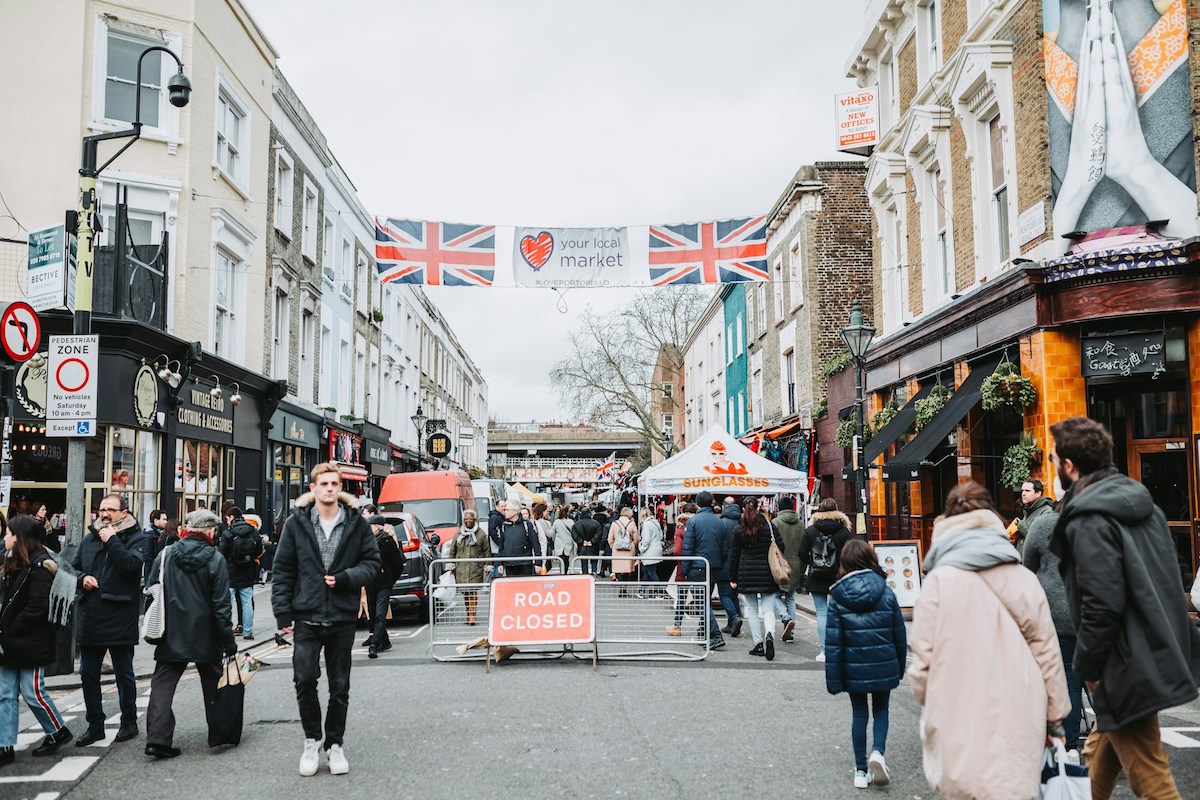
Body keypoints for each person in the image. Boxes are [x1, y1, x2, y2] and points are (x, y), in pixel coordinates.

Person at [1049, 416, 1200, 799]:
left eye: (1055, 460)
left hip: (1122, 663)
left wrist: (1087, 665)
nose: (1054, 467)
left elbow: (1101, 604)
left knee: (1152, 778)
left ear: (1069, 465)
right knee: (1098, 755)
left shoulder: (1087, 519)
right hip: (1150, 648)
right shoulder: (1143, 504)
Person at [908, 481, 1069, 800]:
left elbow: (921, 665)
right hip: (1020, 710)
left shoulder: (938, 582)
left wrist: (932, 699)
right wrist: (1056, 719)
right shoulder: (1024, 579)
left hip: (956, 712)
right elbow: (1047, 655)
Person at [272, 462, 381, 777]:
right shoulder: (296, 524)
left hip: (341, 618)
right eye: (324, 484)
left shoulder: (357, 524)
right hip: (306, 616)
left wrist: (346, 578)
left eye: (335, 483)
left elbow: (372, 564)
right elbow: (283, 571)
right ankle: (311, 741)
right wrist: (282, 612)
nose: (330, 488)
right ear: (313, 488)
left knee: (339, 686)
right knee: (304, 680)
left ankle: (334, 745)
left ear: (340, 488)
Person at [142, 509, 238, 759]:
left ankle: (157, 739)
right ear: (209, 530)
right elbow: (221, 606)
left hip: (170, 631)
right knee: (214, 682)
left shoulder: (165, 555)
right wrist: (228, 642)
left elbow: (151, 587)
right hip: (206, 633)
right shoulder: (215, 559)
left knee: (162, 685)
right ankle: (220, 734)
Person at [825, 539, 907, 789]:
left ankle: (861, 771)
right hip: (884, 662)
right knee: (881, 710)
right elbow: (899, 634)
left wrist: (834, 679)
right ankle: (877, 754)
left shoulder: (838, 596)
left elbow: (833, 642)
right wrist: (899, 666)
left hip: (853, 666)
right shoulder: (886, 590)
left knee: (859, 714)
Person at [72, 493, 150, 747]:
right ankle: (95, 725)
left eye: (110, 510)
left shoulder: (137, 538)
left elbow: (131, 568)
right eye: (102, 509)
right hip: (91, 617)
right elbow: (71, 567)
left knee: (124, 674)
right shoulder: (89, 539)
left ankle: (129, 722)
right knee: (88, 675)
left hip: (119, 616)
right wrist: (82, 578)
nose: (104, 514)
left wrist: (113, 541)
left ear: (124, 513)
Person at [0, 514, 74, 767]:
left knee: (33, 693)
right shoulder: (14, 561)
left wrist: (9, 629)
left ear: (19, 537)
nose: (5, 537)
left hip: (31, 641)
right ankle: (4, 745)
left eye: (9, 533)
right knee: (5, 694)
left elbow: (37, 608)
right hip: (10, 640)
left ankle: (58, 731)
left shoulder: (41, 566)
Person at [1022, 506, 1084, 763]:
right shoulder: (1101, 523)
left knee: (1068, 678)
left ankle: (1068, 745)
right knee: (1105, 680)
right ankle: (1113, 742)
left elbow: (1027, 567)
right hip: (1098, 611)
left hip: (1058, 613)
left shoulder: (1043, 525)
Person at [798, 498, 854, 662]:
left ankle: (825, 650)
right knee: (839, 613)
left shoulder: (811, 531)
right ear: (837, 511)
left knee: (821, 613)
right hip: (839, 577)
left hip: (817, 576)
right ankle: (839, 648)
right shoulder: (844, 532)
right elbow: (851, 554)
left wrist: (812, 561)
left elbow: (801, 553)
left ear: (819, 511)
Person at [728, 499, 784, 660]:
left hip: (746, 573)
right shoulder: (769, 527)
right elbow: (781, 546)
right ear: (759, 508)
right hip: (767, 572)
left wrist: (733, 577)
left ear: (743, 508)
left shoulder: (739, 529)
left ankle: (758, 644)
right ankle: (769, 635)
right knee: (768, 609)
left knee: (752, 609)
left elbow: (734, 556)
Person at [679, 491, 727, 650]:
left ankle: (715, 634)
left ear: (697, 504)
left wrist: (685, 570)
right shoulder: (720, 522)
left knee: (701, 602)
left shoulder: (693, 522)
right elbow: (725, 548)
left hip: (697, 567)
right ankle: (702, 630)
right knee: (705, 601)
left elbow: (688, 548)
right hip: (713, 567)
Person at [363, 516, 405, 658]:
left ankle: (374, 645)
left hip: (384, 583)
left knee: (380, 614)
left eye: (370, 526)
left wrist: (390, 580)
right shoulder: (365, 542)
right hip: (370, 583)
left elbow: (397, 564)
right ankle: (385, 641)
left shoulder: (387, 541)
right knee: (373, 614)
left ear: (377, 527)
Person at [219, 508, 264, 641]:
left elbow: (221, 554)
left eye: (227, 518)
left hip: (230, 573)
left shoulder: (228, 533)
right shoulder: (254, 532)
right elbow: (259, 550)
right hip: (247, 573)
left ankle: (224, 633)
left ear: (231, 517)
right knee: (247, 603)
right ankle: (248, 632)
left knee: (227, 604)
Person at [772, 495, 805, 644]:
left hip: (779, 565)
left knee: (774, 595)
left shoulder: (775, 522)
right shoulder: (801, 524)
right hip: (796, 565)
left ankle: (785, 617)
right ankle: (790, 633)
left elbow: (772, 546)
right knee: (791, 598)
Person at [447, 509, 489, 625]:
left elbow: (486, 550)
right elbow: (452, 550)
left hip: (476, 567)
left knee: (473, 591)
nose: (468, 521)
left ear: (475, 520)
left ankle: (472, 615)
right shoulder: (458, 533)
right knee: (465, 592)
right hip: (461, 568)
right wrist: (451, 564)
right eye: (466, 519)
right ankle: (468, 613)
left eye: (470, 518)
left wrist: (487, 566)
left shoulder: (481, 533)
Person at [716, 497, 742, 636]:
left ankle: (734, 617)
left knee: (724, 594)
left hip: (725, 563)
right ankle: (732, 624)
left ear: (724, 506)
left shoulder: (722, 523)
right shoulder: (742, 522)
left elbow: (720, 545)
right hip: (740, 564)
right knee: (734, 595)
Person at [1011, 480, 1053, 556]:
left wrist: (1020, 525)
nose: (1023, 494)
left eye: (1027, 491)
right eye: (1022, 491)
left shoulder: (1046, 511)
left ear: (1038, 493)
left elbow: (1040, 539)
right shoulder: (1028, 510)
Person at [496, 502, 537, 577]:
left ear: (515, 511)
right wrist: (500, 563)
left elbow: (536, 544)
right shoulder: (504, 526)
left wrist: (538, 563)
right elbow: (501, 546)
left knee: (526, 586)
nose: (505, 512)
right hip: (509, 564)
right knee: (512, 587)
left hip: (525, 564)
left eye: (507, 510)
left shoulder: (527, 524)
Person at [607, 508, 639, 594]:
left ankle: (621, 586)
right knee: (627, 569)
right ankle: (624, 588)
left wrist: (612, 545)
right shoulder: (632, 524)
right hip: (629, 549)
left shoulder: (614, 524)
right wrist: (634, 545)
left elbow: (610, 537)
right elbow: (636, 538)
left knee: (618, 569)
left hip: (617, 548)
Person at [637, 508, 663, 595]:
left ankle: (658, 592)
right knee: (648, 571)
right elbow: (661, 536)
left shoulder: (646, 524)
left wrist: (641, 548)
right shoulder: (656, 522)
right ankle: (642, 590)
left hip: (650, 551)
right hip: (657, 549)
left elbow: (646, 540)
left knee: (651, 572)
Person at [572, 508, 601, 576]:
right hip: (593, 547)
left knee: (584, 563)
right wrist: (592, 541)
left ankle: (585, 577)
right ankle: (594, 576)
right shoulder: (596, 523)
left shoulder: (576, 524)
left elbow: (574, 535)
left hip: (582, 547)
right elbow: (599, 534)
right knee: (594, 562)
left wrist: (582, 542)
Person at [550, 506, 576, 574]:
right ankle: (565, 571)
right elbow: (574, 533)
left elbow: (553, 533)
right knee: (567, 558)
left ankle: (562, 571)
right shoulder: (571, 522)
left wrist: (554, 540)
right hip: (568, 542)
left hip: (559, 542)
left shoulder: (557, 522)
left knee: (561, 558)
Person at [530, 502, 552, 575]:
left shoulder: (537, 521)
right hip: (544, 547)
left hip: (543, 547)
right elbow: (549, 534)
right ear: (542, 512)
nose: (547, 513)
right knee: (545, 567)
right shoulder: (541, 522)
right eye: (546, 511)